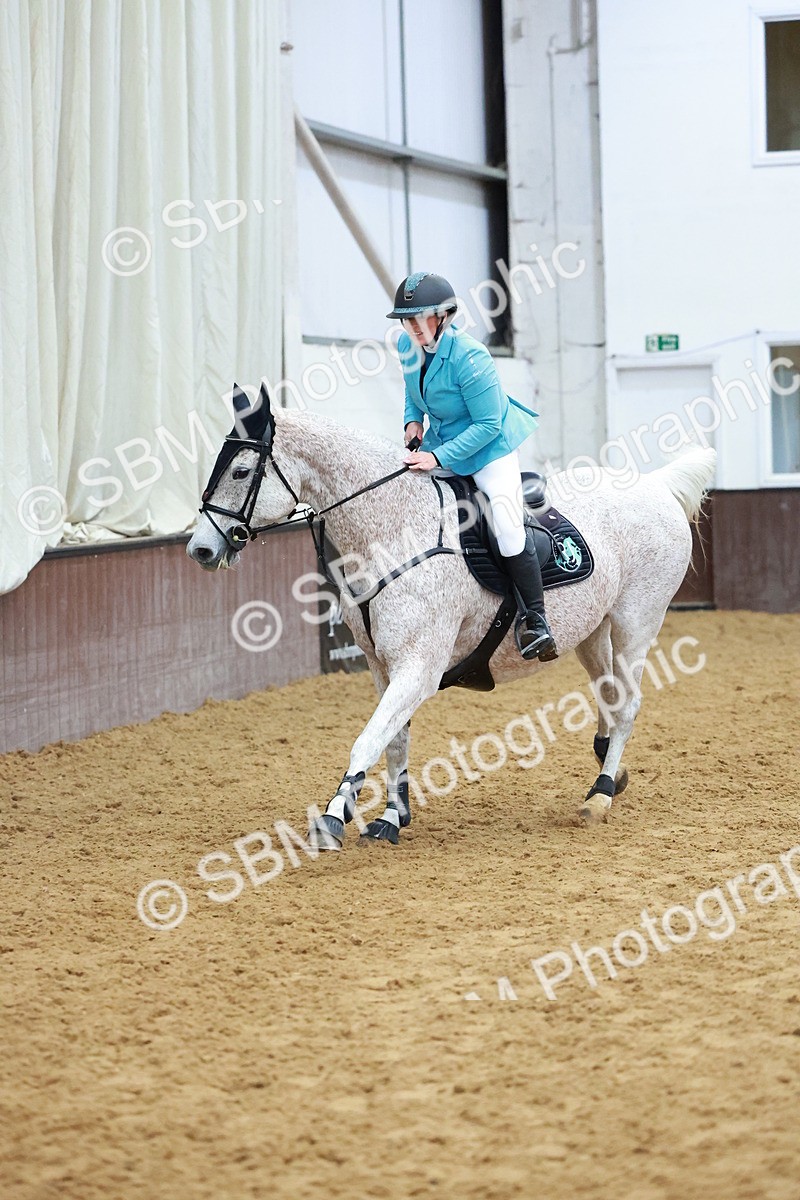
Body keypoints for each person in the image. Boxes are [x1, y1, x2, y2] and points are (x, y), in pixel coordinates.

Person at [387, 271, 557, 662]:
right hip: (441, 443)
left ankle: (536, 620)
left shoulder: (471, 356)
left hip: (487, 451)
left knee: (508, 527)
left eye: (418, 318)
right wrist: (412, 421)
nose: (410, 327)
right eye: (406, 319)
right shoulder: (405, 343)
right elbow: (413, 393)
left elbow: (487, 425)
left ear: (444, 316)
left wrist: (437, 457)